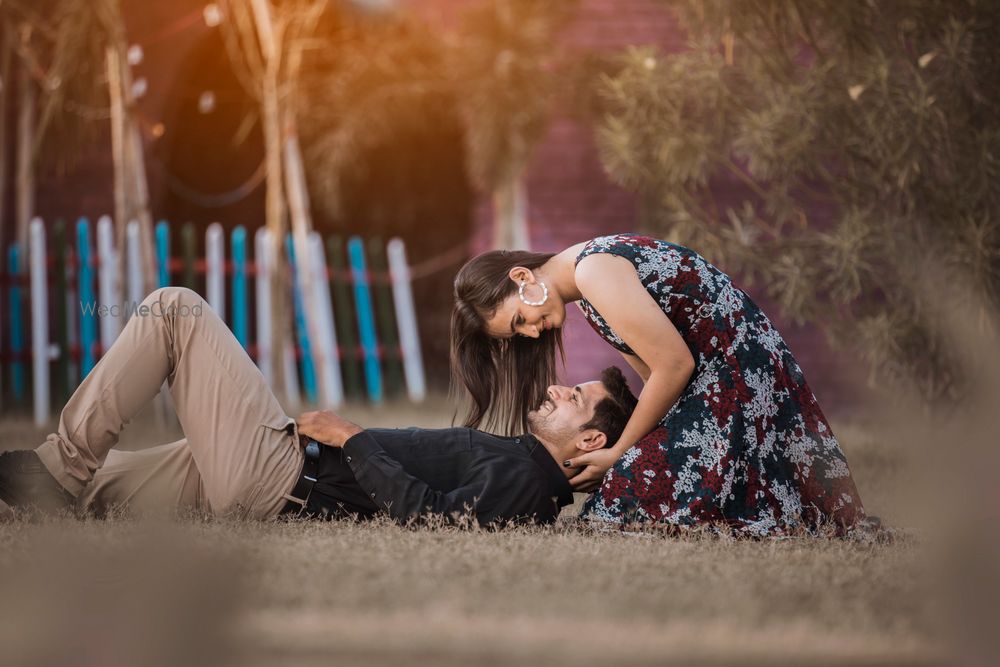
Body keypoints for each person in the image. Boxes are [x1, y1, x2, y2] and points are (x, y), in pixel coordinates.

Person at [0, 286, 637, 527]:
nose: (558, 388)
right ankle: (57, 480)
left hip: (282, 477)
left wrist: (351, 436)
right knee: (80, 491)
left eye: (575, 398)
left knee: (176, 309)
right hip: (276, 469)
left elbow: (433, 517)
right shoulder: (521, 464)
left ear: (587, 443)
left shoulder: (527, 482)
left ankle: (62, 466)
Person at [450, 232, 867, 535]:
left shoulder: (594, 270)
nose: (530, 334)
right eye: (517, 334)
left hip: (741, 380)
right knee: (639, 469)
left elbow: (673, 365)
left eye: (519, 320)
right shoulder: (588, 286)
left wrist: (617, 454)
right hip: (719, 384)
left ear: (522, 277)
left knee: (631, 480)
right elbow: (655, 376)